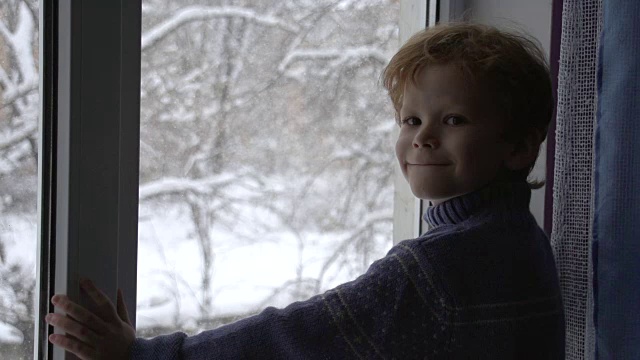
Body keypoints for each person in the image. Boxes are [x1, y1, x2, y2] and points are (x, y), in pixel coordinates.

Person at [45, 22, 565, 359]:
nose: (422, 137)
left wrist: (146, 356)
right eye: (410, 119)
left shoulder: (437, 268)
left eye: (453, 119)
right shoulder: (518, 239)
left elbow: (296, 340)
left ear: (518, 146)